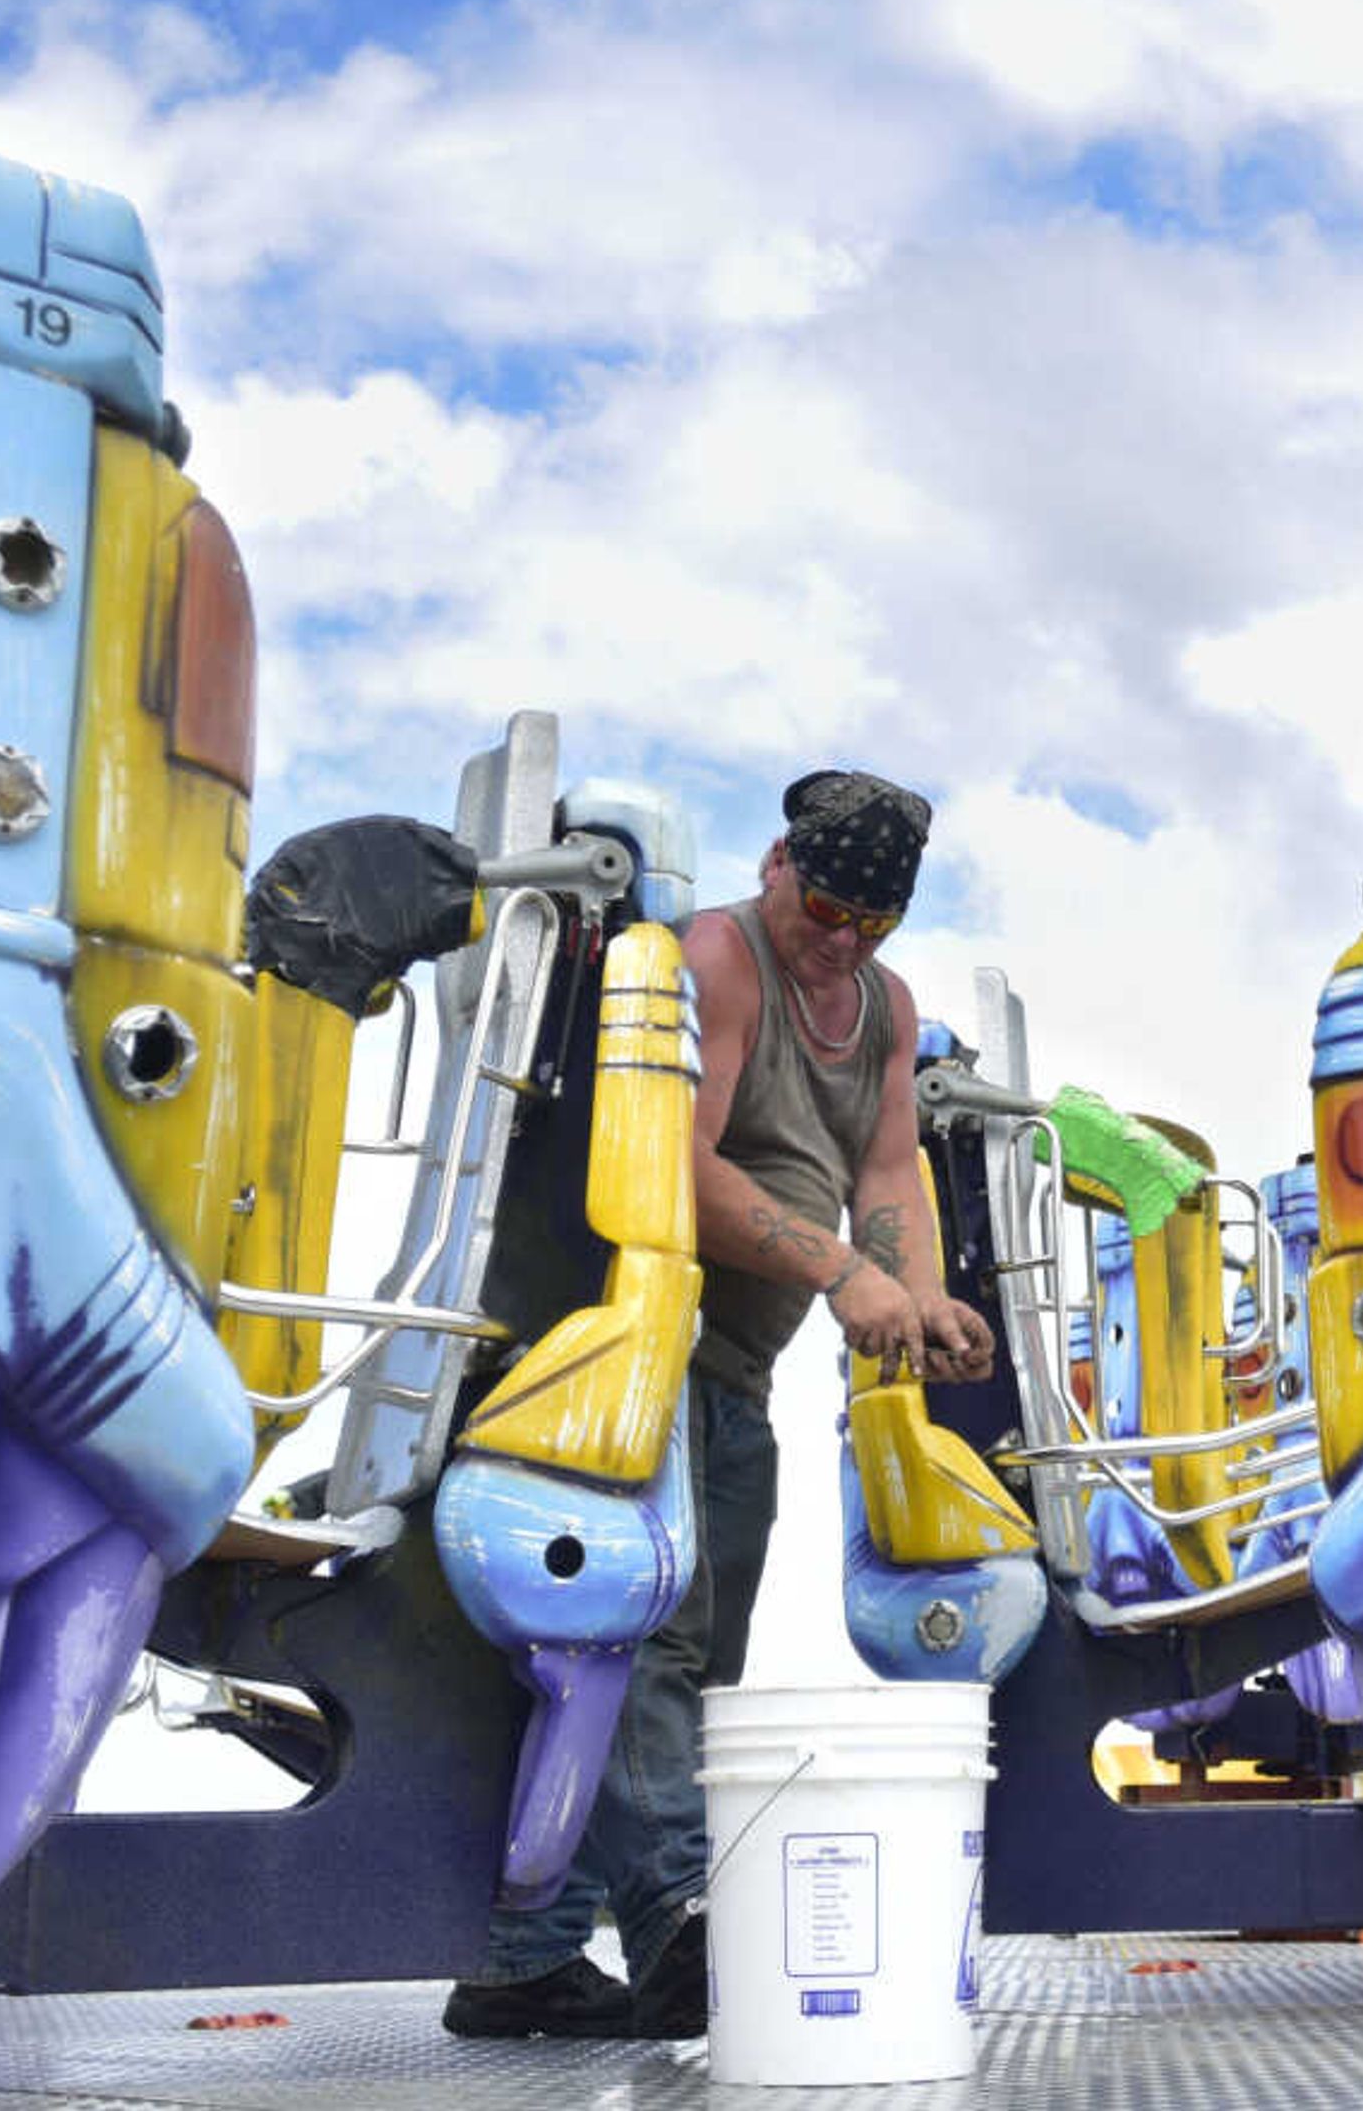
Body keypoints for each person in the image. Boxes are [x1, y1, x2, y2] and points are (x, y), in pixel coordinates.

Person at [443, 768, 998, 2040]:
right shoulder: (721, 957)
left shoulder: (885, 1005)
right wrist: (847, 1273)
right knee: (644, 1642)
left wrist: (922, 1295)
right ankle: (685, 1916)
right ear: (777, 864)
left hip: (739, 1379)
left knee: (700, 1663)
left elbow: (886, 1163)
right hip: (646, 1360)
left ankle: (526, 1956)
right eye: (829, 905)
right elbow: (674, 1164)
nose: (842, 939)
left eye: (874, 922)